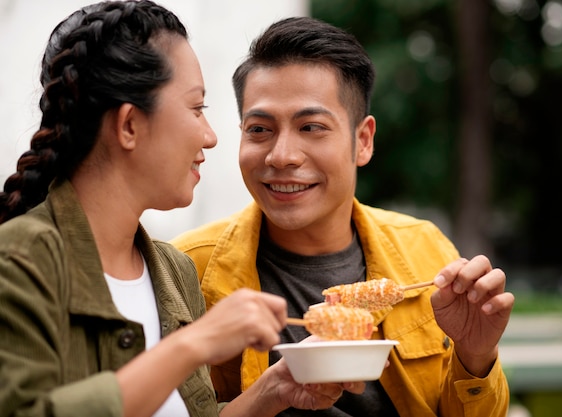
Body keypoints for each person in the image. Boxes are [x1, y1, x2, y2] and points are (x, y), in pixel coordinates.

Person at [0, 3, 363, 416]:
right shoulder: (18, 262)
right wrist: (192, 344)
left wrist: (274, 388)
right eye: (197, 109)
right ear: (129, 126)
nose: (209, 137)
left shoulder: (174, 271)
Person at [172, 16, 515, 417]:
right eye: (260, 129)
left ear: (363, 141)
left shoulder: (426, 251)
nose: (281, 155)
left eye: (311, 126)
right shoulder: (184, 271)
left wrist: (477, 355)